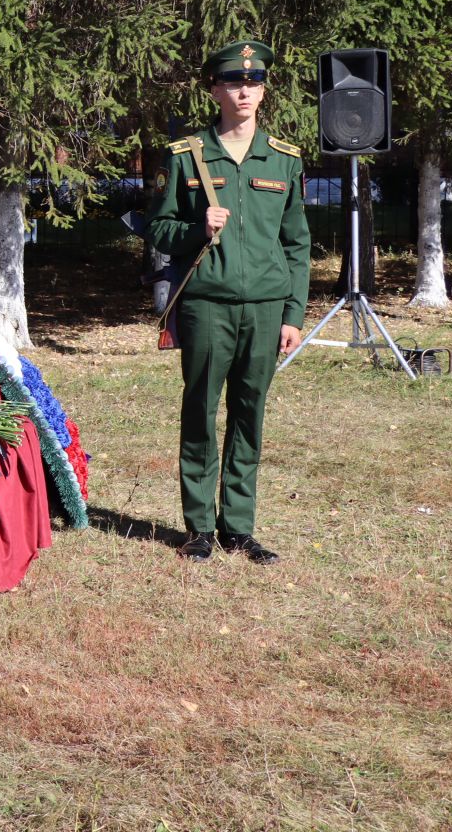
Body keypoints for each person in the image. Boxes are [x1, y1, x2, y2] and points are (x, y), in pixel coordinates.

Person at [148, 39, 309, 566]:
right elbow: (161, 230)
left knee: (249, 414)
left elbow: (297, 244)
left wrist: (293, 314)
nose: (245, 91)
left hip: (265, 308)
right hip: (208, 307)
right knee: (200, 411)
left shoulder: (283, 160)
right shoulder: (187, 156)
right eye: (235, 82)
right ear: (214, 88)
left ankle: (238, 528)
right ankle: (198, 528)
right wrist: (199, 228)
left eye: (254, 83)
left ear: (263, 92)